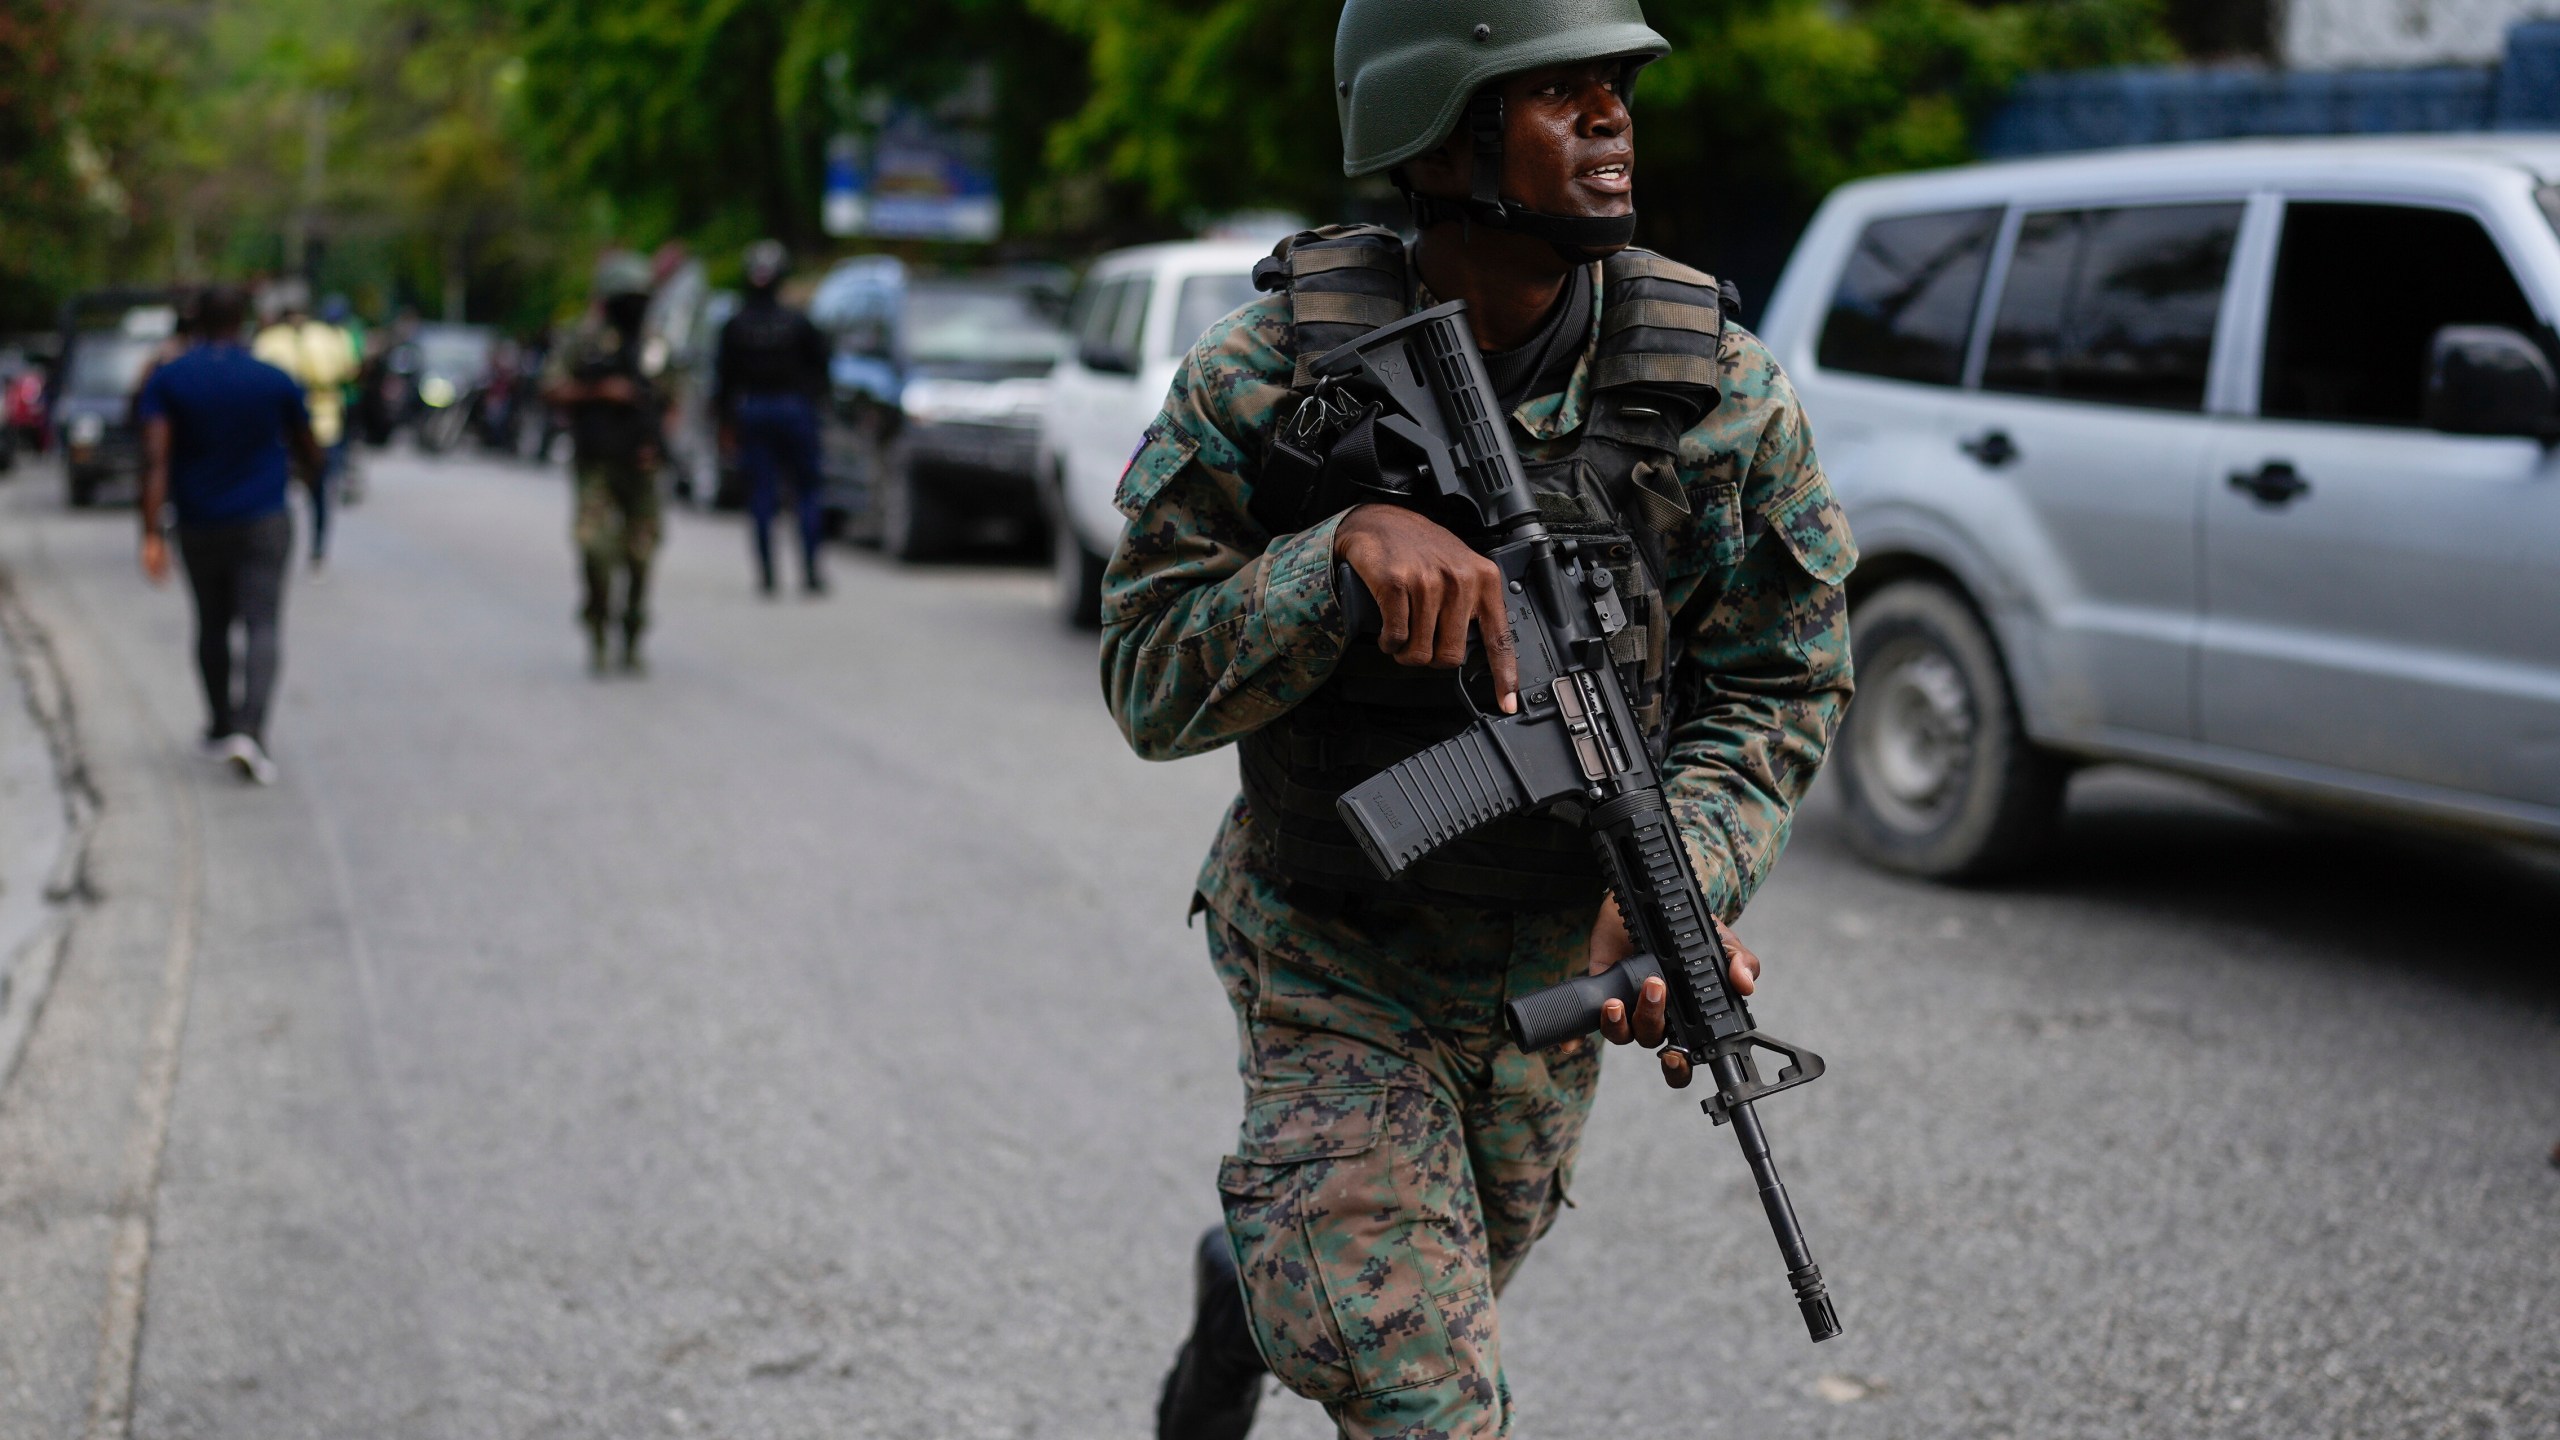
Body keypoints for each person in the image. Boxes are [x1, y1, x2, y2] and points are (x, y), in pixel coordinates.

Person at [1100, 4, 1859, 1437]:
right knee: (1424, 1391)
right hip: (1329, 948)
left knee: (1421, 1289)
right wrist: (1334, 560)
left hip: (1545, 973)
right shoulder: (1267, 376)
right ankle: (1295, 1269)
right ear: (1437, 135)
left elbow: (1781, 675)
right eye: (1555, 90)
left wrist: (1676, 882)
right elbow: (1144, 676)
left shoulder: (1720, 398)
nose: (1610, 118)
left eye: (1615, 88)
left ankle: (1248, 1283)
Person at [136, 285, 327, 786]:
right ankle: (252, 731)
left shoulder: (171, 379)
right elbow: (310, 447)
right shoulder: (273, 379)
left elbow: (156, 459)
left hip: (199, 523)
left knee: (212, 623)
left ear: (195, 320)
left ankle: (221, 724)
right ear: (244, 321)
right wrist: (308, 476)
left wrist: (151, 532)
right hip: (264, 519)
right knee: (262, 625)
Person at [542, 252, 667, 675]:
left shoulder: (653, 343)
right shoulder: (583, 339)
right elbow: (551, 387)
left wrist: (657, 438)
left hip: (641, 463)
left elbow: (674, 394)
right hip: (595, 459)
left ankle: (632, 632)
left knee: (641, 555)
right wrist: (599, 391)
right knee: (594, 548)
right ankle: (597, 627)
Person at [714, 240, 833, 596]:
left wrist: (725, 422)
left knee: (762, 494)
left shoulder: (735, 325)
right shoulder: (798, 322)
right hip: (793, 410)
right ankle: (811, 571)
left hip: (754, 410)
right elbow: (822, 369)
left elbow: (723, 380)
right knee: (807, 491)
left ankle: (767, 575)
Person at [254, 293, 361, 571]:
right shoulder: (328, 337)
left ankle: (308, 548)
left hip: (296, 425)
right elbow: (349, 370)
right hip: (313, 423)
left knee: (296, 490)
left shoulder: (271, 340)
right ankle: (315, 549)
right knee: (317, 489)